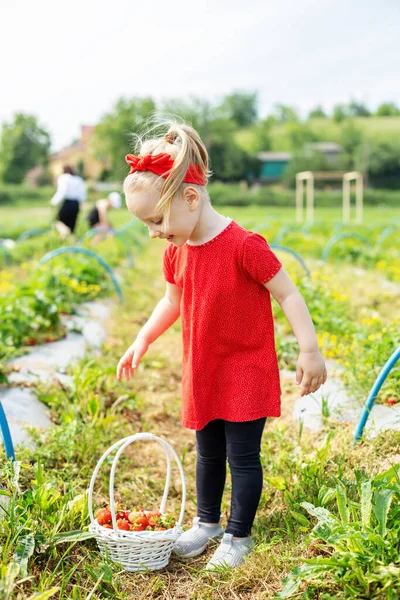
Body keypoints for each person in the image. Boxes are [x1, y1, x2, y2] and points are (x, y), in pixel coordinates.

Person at [116, 120, 327, 571]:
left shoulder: (243, 246)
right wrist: (142, 338)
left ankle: (238, 534)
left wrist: (309, 350)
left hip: (246, 368)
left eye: (156, 220)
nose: (153, 232)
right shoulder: (177, 249)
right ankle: (208, 522)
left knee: (242, 457)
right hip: (203, 366)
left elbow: (288, 293)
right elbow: (172, 300)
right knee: (208, 452)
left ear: (190, 198)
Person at [50, 165, 86, 238]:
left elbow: (62, 191)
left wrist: (53, 201)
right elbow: (82, 194)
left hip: (67, 203)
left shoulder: (64, 178)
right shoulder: (79, 179)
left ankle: (64, 234)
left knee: (58, 222)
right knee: (71, 227)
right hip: (76, 204)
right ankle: (69, 243)